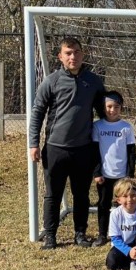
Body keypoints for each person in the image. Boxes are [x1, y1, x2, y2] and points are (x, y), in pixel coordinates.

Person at [29, 37, 105, 250]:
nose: (73, 57)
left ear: (83, 54)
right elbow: (37, 112)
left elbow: (106, 112)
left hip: (83, 149)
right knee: (53, 193)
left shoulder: (94, 81)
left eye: (77, 52)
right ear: (60, 57)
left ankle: (80, 234)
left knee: (81, 194)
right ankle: (51, 235)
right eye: (68, 53)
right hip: (56, 148)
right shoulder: (51, 81)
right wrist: (33, 143)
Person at [91, 90, 136, 247]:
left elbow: (132, 152)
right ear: (104, 108)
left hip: (122, 176)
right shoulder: (97, 126)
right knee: (103, 204)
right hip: (104, 175)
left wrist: (130, 174)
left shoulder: (126, 127)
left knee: (123, 206)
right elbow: (94, 151)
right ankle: (103, 234)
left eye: (116, 107)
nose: (112, 110)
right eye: (109, 106)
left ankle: (122, 234)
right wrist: (96, 172)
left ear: (121, 108)